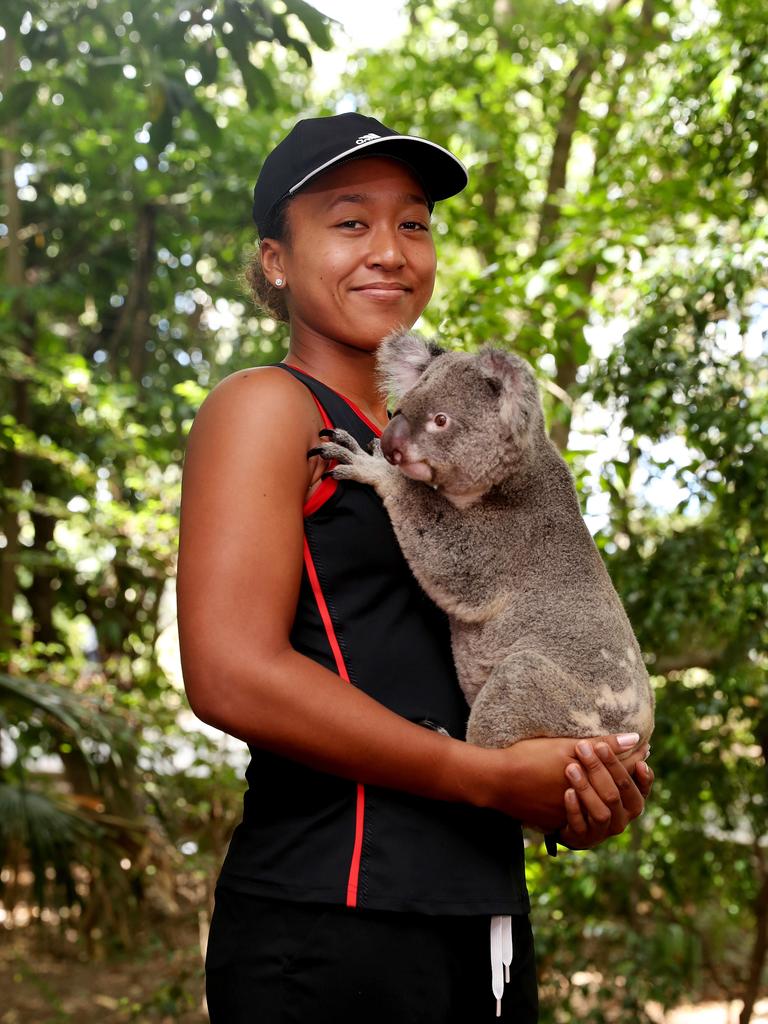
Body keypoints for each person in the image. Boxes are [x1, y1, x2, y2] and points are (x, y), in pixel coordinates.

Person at [176, 112, 654, 1024]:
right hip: (332, 916)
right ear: (276, 258)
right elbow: (229, 673)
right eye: (351, 222)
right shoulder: (265, 408)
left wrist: (576, 789)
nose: (391, 250)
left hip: (482, 918)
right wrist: (480, 777)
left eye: (415, 223)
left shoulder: (467, 439)